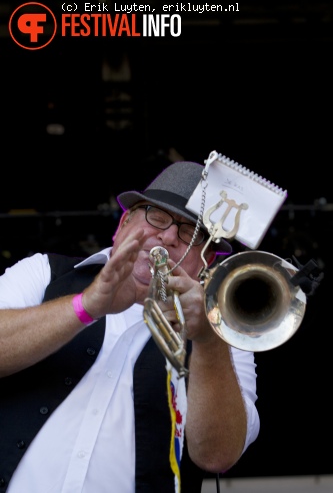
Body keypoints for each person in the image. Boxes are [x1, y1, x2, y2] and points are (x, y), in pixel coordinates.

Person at [0, 161, 260, 493]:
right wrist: (88, 306)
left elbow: (218, 455)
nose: (168, 236)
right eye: (157, 217)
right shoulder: (43, 271)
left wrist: (208, 342)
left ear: (205, 262)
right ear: (123, 224)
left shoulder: (223, 330)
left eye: (190, 233)